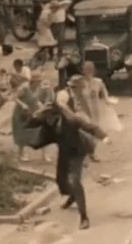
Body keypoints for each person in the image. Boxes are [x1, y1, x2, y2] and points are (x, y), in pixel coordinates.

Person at [30, 76, 109, 229]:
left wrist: (104, 137)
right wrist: (35, 116)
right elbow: (34, 123)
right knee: (61, 181)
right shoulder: (48, 118)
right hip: (65, 149)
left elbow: (88, 126)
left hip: (77, 149)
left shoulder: (70, 118)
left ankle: (84, 217)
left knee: (75, 180)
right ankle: (72, 195)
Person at [13, 70, 54, 162]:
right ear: (33, 81)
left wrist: (43, 107)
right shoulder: (24, 87)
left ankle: (44, 155)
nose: (39, 83)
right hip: (21, 113)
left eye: (40, 81)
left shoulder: (38, 89)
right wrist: (22, 104)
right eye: (38, 81)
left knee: (40, 131)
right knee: (22, 133)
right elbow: (14, 98)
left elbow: (35, 100)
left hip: (32, 111)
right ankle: (20, 154)